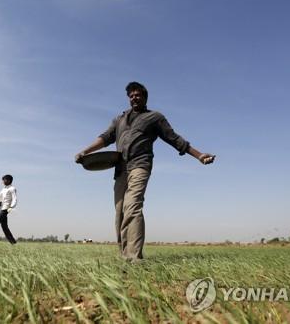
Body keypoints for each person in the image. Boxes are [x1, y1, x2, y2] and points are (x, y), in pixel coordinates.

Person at [75, 81, 215, 261]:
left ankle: (134, 258)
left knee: (132, 205)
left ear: (145, 97)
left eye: (138, 95)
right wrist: (85, 152)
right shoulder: (119, 120)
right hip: (120, 168)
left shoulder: (154, 118)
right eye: (131, 95)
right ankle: (124, 256)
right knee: (120, 212)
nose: (134, 98)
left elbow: (175, 139)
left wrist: (199, 155)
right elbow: (104, 138)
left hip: (140, 165)